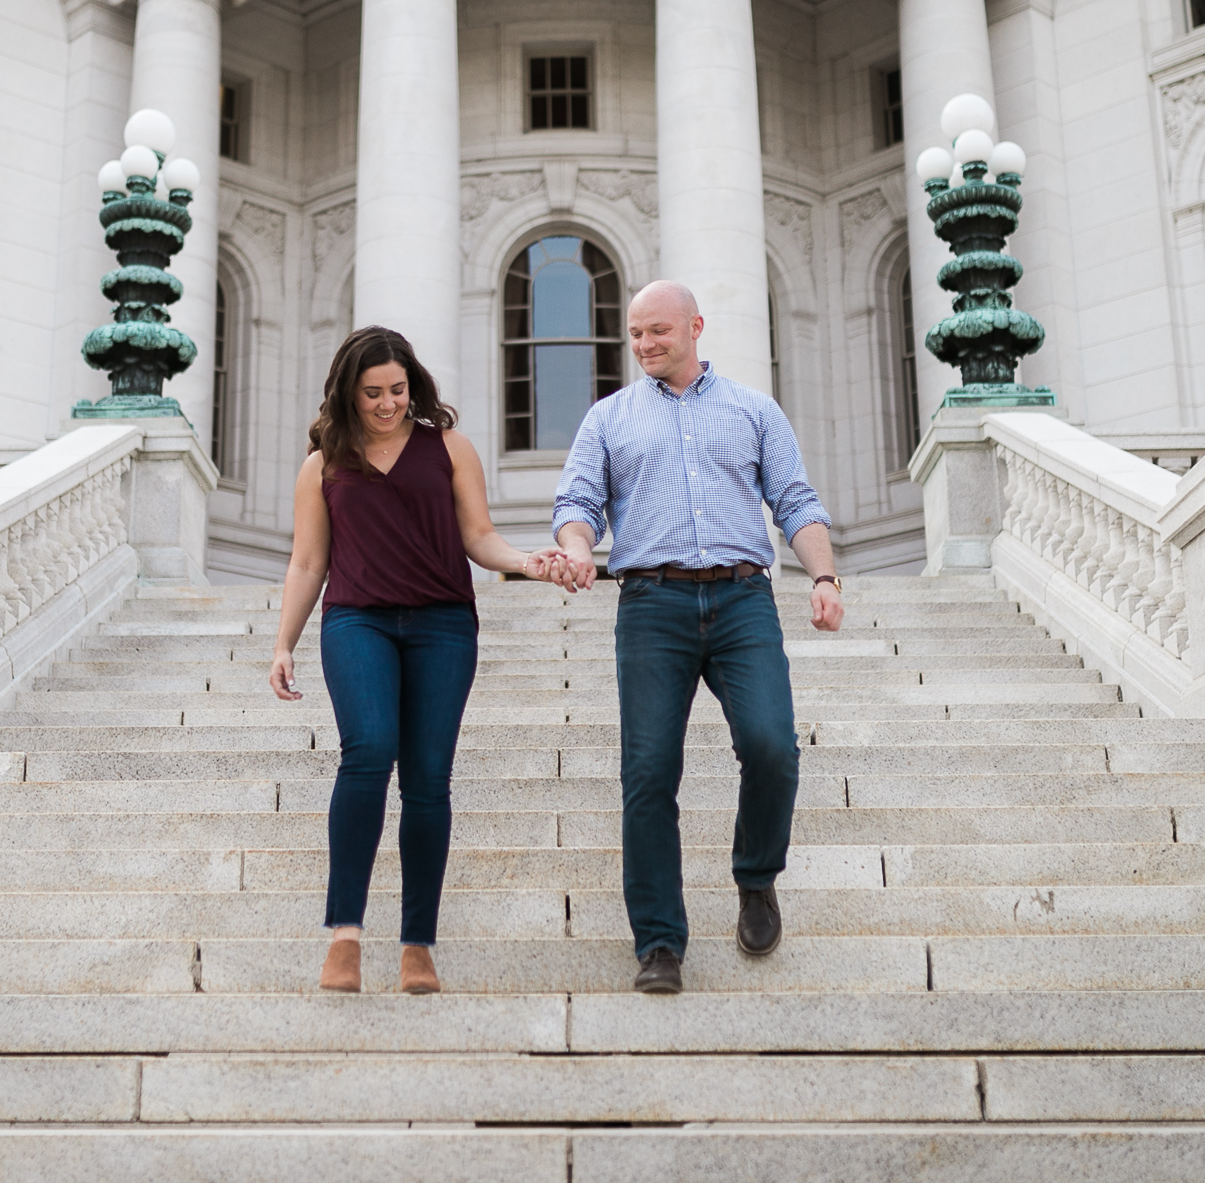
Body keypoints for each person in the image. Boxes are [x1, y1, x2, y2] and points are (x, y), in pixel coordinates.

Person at [552, 280, 844, 994]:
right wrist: (579, 544)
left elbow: (795, 499)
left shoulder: (753, 410)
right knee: (648, 773)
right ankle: (658, 942)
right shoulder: (608, 418)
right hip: (652, 603)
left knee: (773, 745)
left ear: (695, 326)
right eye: (636, 334)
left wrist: (825, 577)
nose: (647, 344)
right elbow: (577, 501)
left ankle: (755, 876)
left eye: (660, 330)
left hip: (744, 598)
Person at [271, 325, 569, 995]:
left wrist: (527, 562)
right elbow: (308, 560)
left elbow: (479, 536)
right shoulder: (323, 465)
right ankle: (344, 937)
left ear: (414, 385)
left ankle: (417, 946)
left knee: (429, 777)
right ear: (349, 392)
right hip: (357, 619)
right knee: (369, 749)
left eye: (398, 390)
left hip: (442, 624)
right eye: (372, 392)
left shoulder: (450, 449)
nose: (386, 404)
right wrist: (283, 642)